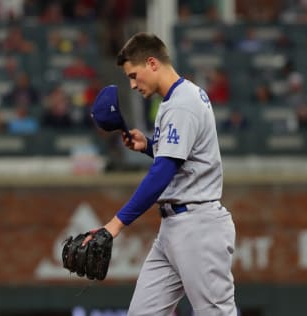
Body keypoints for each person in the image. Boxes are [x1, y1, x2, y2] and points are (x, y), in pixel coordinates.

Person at [83, 32, 237, 315]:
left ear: (152, 63)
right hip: (174, 227)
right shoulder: (180, 96)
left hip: (198, 224)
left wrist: (114, 226)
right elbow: (186, 160)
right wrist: (148, 147)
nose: (131, 84)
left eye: (133, 75)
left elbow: (162, 173)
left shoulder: (181, 103)